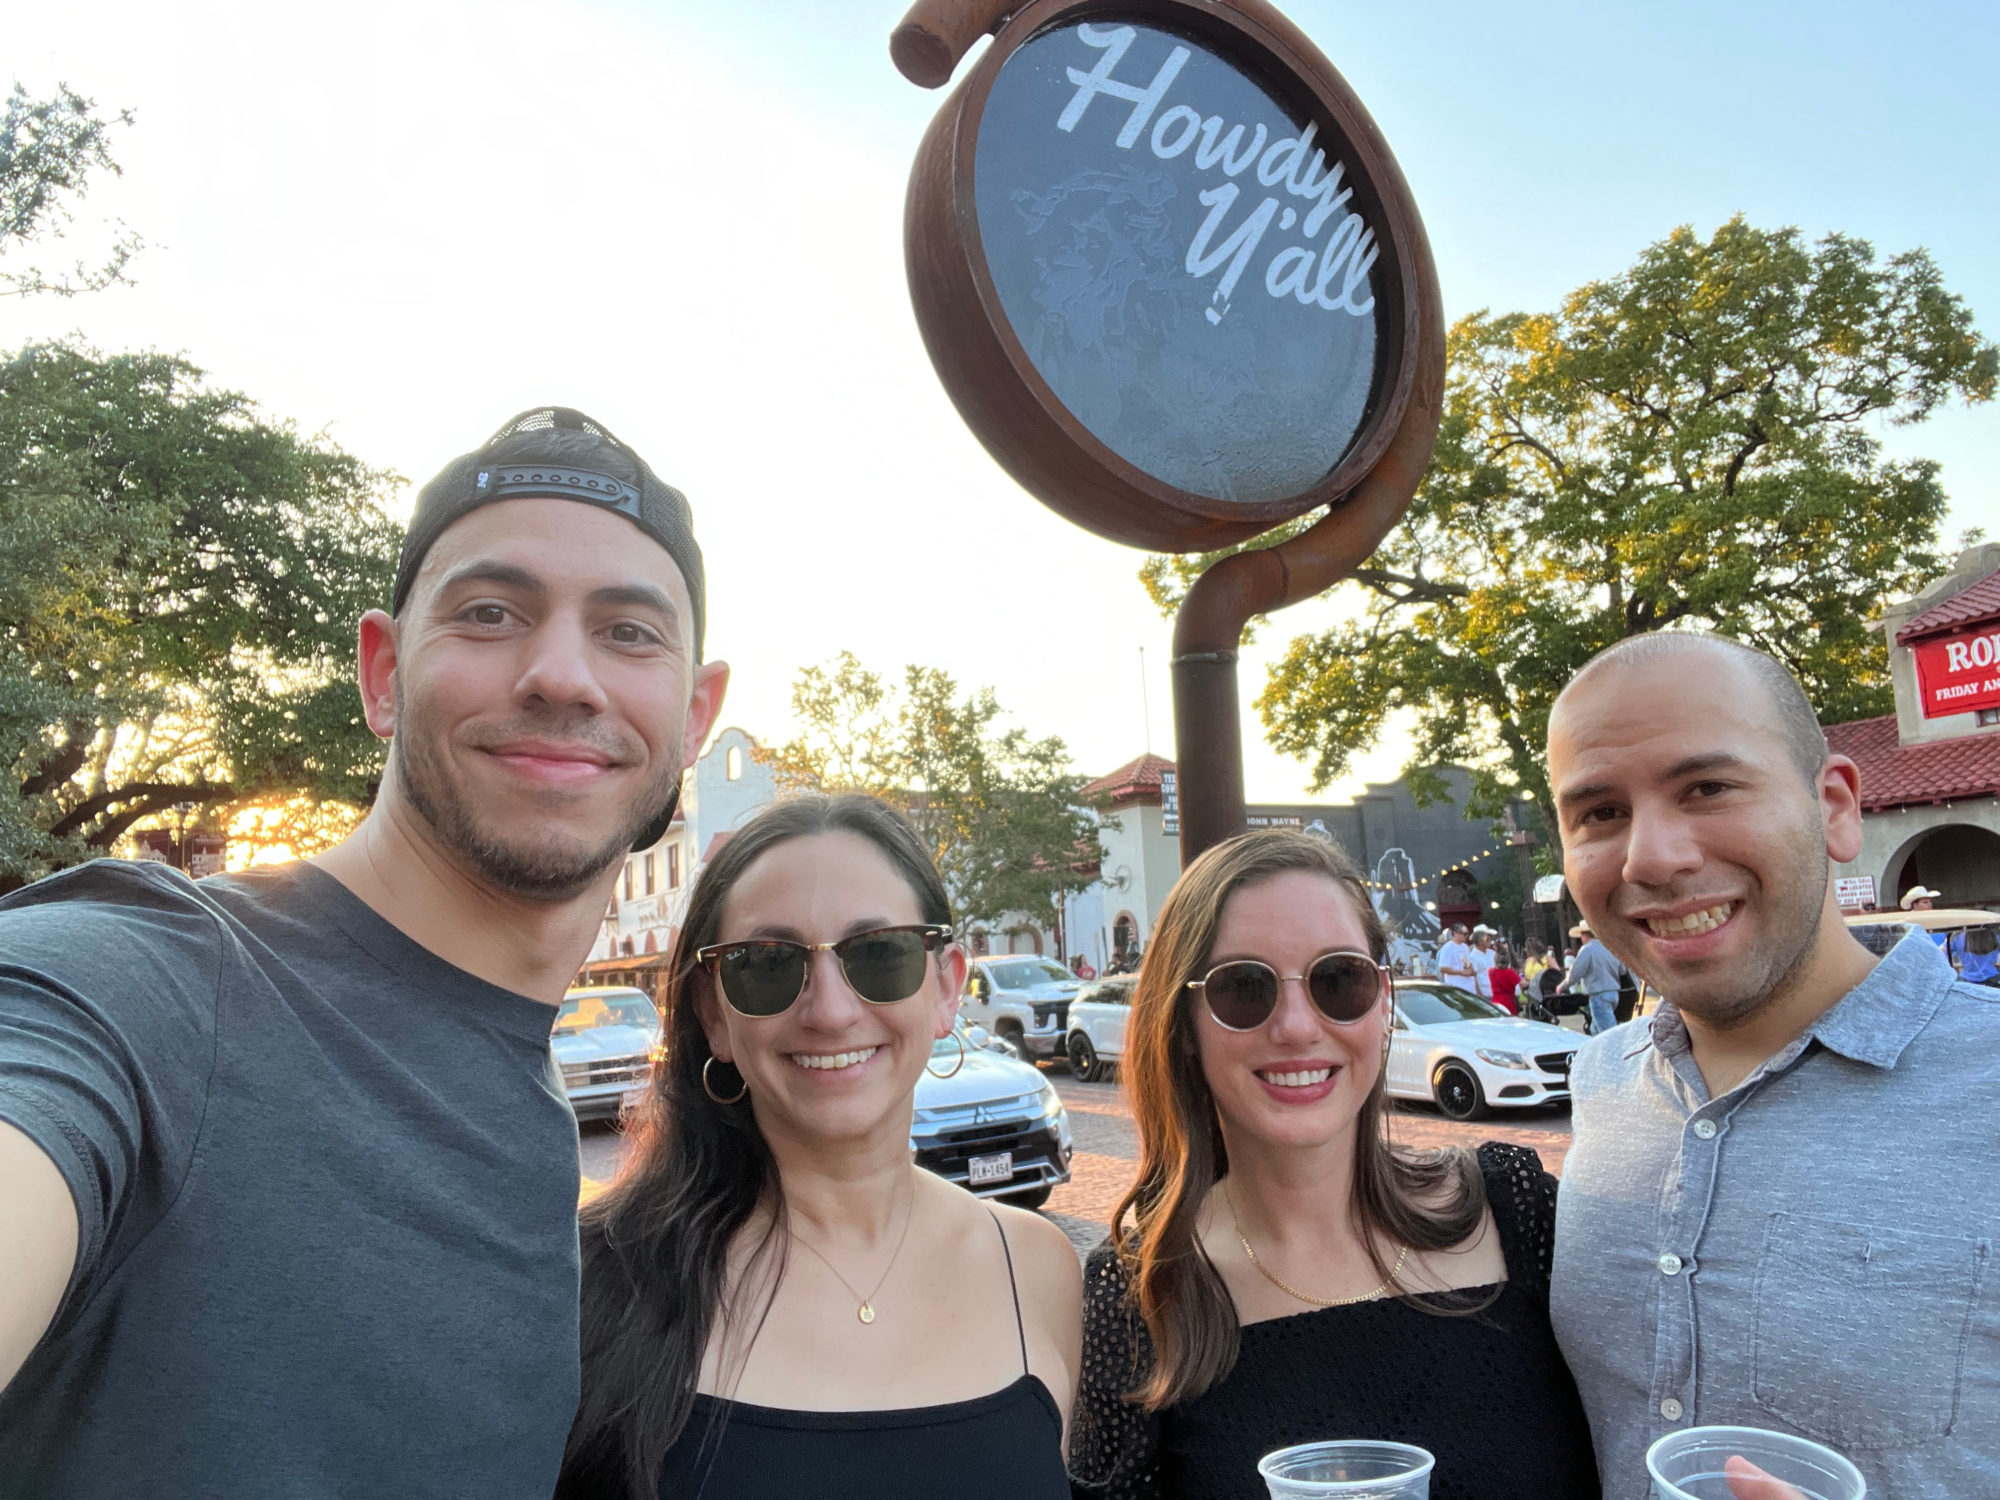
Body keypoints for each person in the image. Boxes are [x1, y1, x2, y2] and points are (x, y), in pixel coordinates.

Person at [0, 407, 729, 1497]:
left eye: (629, 631)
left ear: (693, 715)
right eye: (490, 613)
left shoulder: (526, 1100)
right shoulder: (143, 982)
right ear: (382, 674)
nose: (561, 675)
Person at [1545, 631, 2000, 1499]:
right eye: (1600, 813)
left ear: (1833, 806)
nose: (1654, 857)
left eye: (1707, 787)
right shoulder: (1602, 1083)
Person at [558, 794, 1081, 1500]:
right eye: (768, 964)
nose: (831, 1011)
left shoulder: (1038, 1270)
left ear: (946, 988)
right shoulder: (595, 1284)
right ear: (713, 1013)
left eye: (880, 955)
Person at [1069, 830, 1598, 1500]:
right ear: (1182, 1023)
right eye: (1243, 988)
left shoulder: (1515, 1209)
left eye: (1338, 979)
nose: (1295, 1025)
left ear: (1383, 1000)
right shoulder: (1137, 1294)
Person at [1557, 922, 1629, 1036]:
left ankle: (1617, 1051)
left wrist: (1562, 986)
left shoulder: (1587, 949)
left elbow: (1575, 973)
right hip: (1614, 992)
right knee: (1595, 1029)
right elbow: (1622, 970)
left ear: (1585, 935)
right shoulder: (1610, 948)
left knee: (1609, 1031)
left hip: (1598, 993)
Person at [1435, 922, 1476, 993]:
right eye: (1464, 934)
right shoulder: (1447, 948)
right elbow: (1442, 968)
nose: (1466, 936)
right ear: (1456, 933)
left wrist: (1470, 970)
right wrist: (1462, 972)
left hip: (1470, 988)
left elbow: (1468, 963)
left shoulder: (1465, 946)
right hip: (1456, 988)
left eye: (1467, 933)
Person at [1488, 942, 1523, 1015]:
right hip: (1508, 1002)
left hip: (1495, 1001)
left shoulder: (1491, 971)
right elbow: (1523, 984)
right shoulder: (1510, 973)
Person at [1467, 924, 1499, 1002]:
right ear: (1479, 941)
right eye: (1487, 939)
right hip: (1485, 995)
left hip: (1497, 993)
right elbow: (1473, 979)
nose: (1490, 940)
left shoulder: (1492, 953)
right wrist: (1480, 997)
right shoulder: (1472, 957)